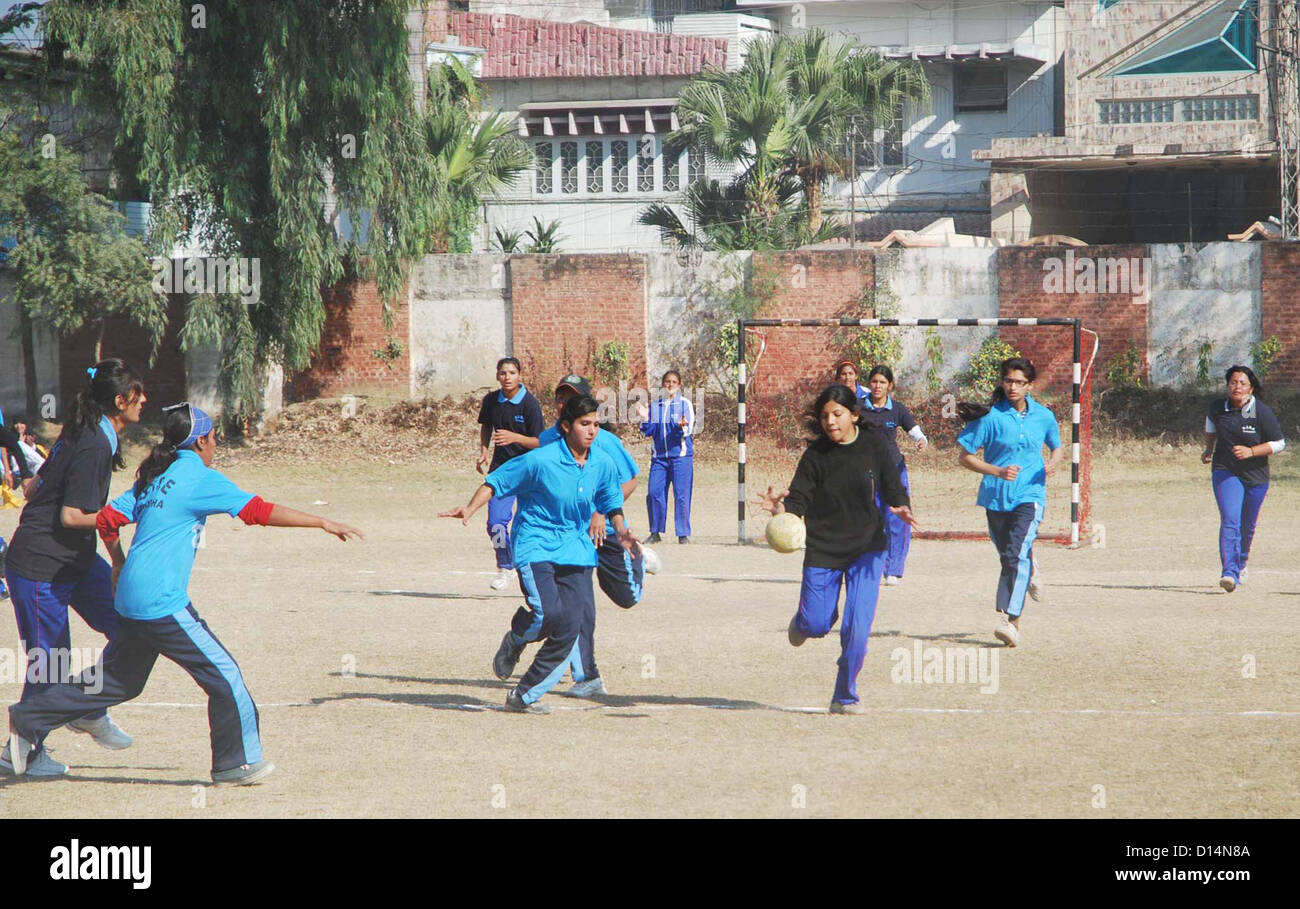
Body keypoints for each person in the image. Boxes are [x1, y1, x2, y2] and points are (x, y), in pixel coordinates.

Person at [7, 403, 363, 784]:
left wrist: (117, 564)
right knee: (224, 674)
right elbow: (258, 511)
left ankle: (29, 717)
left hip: (129, 600)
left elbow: (109, 520)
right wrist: (322, 521)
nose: (215, 447)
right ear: (201, 442)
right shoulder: (198, 476)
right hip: (160, 603)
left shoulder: (155, 475)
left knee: (119, 683)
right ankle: (234, 764)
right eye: (214, 439)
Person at [441, 394, 635, 714]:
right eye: (584, 424)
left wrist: (620, 528)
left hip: (577, 549)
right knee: (549, 614)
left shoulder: (601, 462)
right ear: (565, 426)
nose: (592, 431)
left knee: (571, 626)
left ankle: (524, 695)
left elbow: (611, 498)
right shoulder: (541, 460)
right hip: (537, 544)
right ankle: (518, 636)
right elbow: (497, 481)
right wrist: (471, 507)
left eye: (596, 424)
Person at [1, 359, 146, 777]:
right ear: (120, 401)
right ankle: (21, 754)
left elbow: (35, 485)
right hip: (40, 566)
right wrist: (126, 513)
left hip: (76, 560)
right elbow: (70, 516)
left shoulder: (92, 428)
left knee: (131, 624)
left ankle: (88, 708)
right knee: (50, 663)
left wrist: (116, 561)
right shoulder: (95, 441)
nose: (145, 400)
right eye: (138, 393)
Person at [754, 384, 918, 715]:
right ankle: (803, 623)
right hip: (824, 548)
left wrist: (899, 505)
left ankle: (844, 695)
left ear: (854, 415)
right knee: (816, 624)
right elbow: (798, 500)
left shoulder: (874, 445)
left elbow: (892, 484)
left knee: (857, 629)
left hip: (867, 549)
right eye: (825, 416)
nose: (830, 422)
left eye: (838, 414)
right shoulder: (815, 456)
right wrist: (779, 513)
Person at [494, 374, 650, 698]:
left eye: (572, 396)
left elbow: (631, 481)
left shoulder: (604, 441)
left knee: (627, 597)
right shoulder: (551, 438)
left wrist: (600, 512)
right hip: (568, 538)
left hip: (606, 531)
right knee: (578, 609)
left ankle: (640, 559)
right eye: (560, 397)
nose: (563, 402)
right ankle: (586, 675)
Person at [956, 356, 1063, 648]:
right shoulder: (989, 417)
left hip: (1030, 495)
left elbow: (1057, 446)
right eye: (1008, 381)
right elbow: (964, 456)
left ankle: (1010, 620)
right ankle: (1032, 567)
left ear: (1030, 385)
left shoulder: (1043, 416)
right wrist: (997, 471)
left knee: (1015, 555)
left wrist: (1053, 463)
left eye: (1019, 382)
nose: (1012, 387)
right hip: (995, 497)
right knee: (1010, 556)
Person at [1201, 365, 1284, 593]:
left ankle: (1242, 562)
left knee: (1247, 526)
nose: (1237, 386)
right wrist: (1208, 449)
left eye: (1242, 383)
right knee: (1230, 520)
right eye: (1233, 382)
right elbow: (1210, 425)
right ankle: (1229, 572)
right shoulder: (1218, 408)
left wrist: (1252, 451)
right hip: (1225, 469)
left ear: (1251, 388)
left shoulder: (1262, 412)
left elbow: (1280, 443)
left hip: (1256, 476)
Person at [476, 357, 545, 591]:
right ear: (497, 376)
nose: (507, 377)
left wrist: (515, 438)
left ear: (520, 375)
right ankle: (505, 566)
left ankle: (538, 571)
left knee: (529, 527)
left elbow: (540, 442)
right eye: (503, 373)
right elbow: (486, 425)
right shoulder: (491, 401)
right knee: (495, 523)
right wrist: (484, 451)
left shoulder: (530, 404)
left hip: (528, 472)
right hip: (501, 471)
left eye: (512, 373)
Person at [858, 365, 928, 586]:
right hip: (865, 472)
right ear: (869, 384)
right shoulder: (858, 408)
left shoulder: (897, 409)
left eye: (882, 382)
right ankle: (863, 566)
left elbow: (915, 430)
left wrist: (921, 440)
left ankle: (893, 569)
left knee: (897, 519)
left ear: (890, 385)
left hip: (894, 471)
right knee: (866, 520)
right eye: (874, 381)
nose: (877, 386)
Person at [638, 370, 694, 544]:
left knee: (681, 495)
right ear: (663, 385)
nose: (670, 385)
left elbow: (688, 430)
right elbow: (648, 431)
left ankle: (682, 533)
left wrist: (680, 426)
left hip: (681, 457)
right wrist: (645, 418)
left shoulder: (685, 404)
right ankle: (655, 531)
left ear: (679, 385)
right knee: (654, 492)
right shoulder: (655, 406)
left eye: (674, 382)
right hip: (660, 459)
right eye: (667, 382)